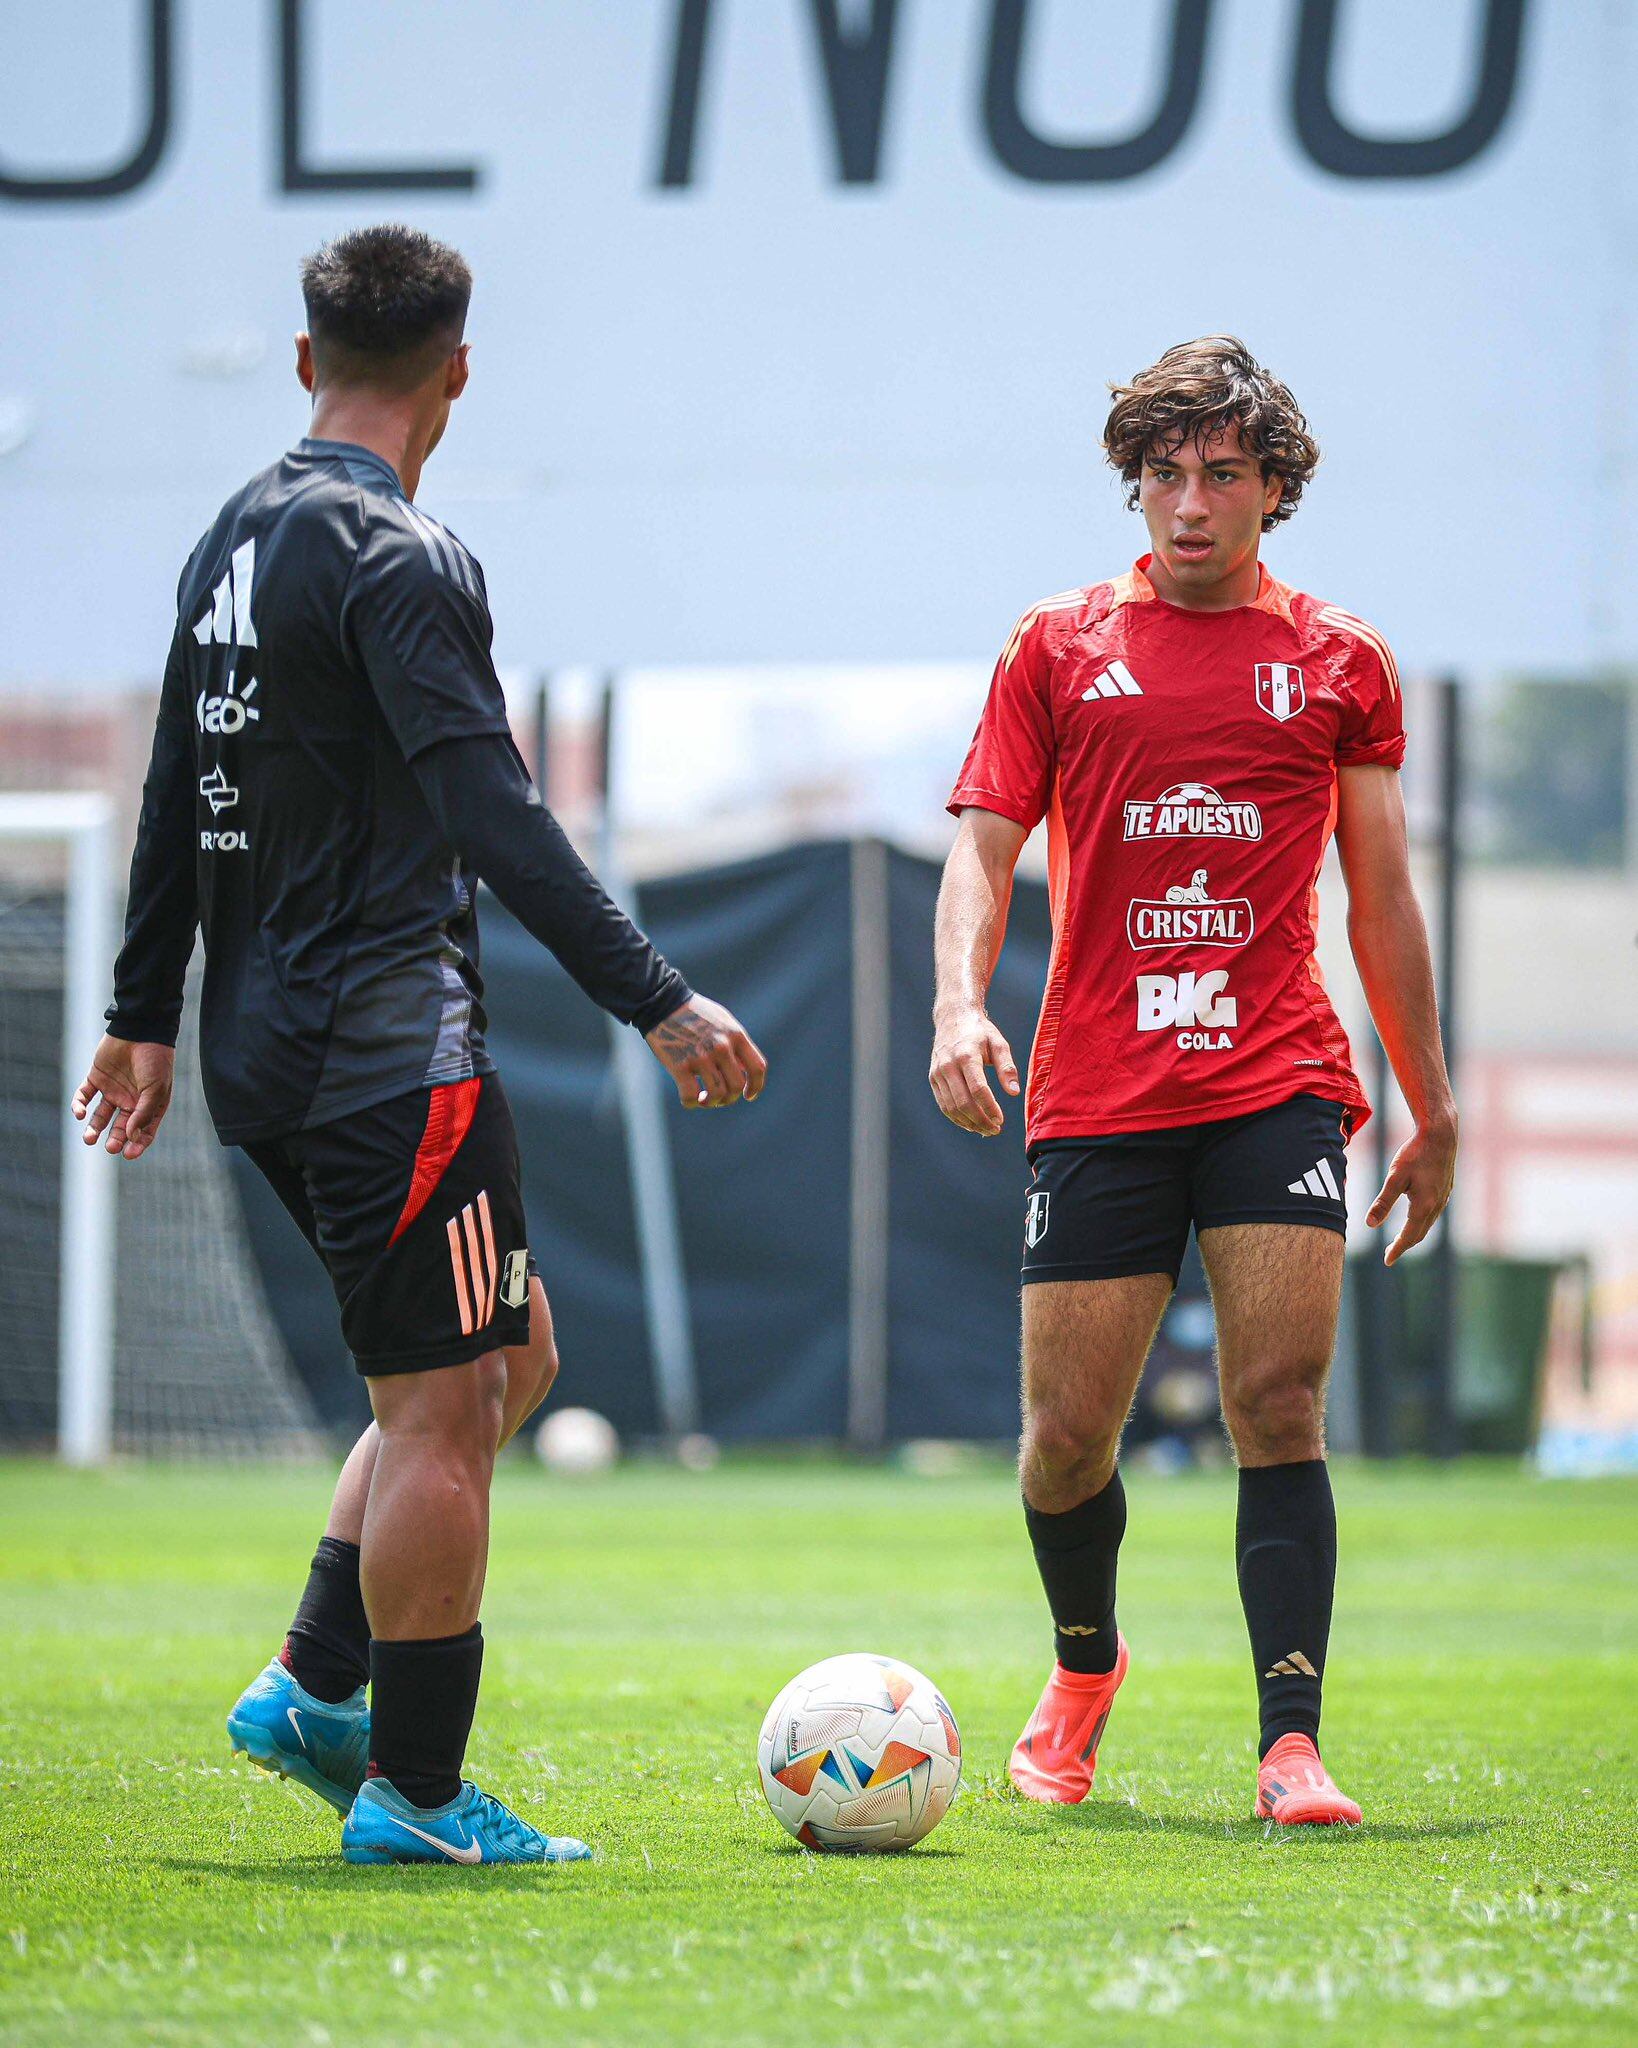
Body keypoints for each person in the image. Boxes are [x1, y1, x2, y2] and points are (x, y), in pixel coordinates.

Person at [72, 225, 767, 1867]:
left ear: (309, 363)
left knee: (503, 1359)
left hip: (267, 1047)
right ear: (458, 371)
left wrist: (136, 1016)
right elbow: (496, 816)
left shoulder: (233, 536)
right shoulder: (402, 554)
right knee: (447, 1411)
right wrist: (656, 995)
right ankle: (418, 1793)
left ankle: (318, 1685)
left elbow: (180, 786)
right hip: (389, 1052)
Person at [929, 337, 1456, 1826]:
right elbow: (983, 843)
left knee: (1278, 1401)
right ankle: (1083, 1667)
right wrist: (956, 1005)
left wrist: (1429, 1099)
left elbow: (1382, 901)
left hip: (1275, 1078)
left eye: (1222, 473)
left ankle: (1289, 1741)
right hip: (1096, 1086)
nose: (1188, 503)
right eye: (1162, 473)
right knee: (1061, 1441)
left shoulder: (1339, 662)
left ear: (1273, 490)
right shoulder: (1053, 647)